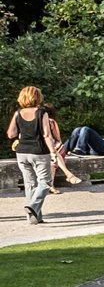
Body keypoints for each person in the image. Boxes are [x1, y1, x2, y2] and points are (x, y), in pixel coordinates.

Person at [8, 86, 61, 224]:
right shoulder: (41, 113)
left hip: (22, 152)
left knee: (30, 184)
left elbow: (11, 134)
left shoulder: (17, 113)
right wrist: (53, 153)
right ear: (37, 97)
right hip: (39, 152)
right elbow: (47, 135)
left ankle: (34, 217)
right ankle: (32, 206)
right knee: (46, 181)